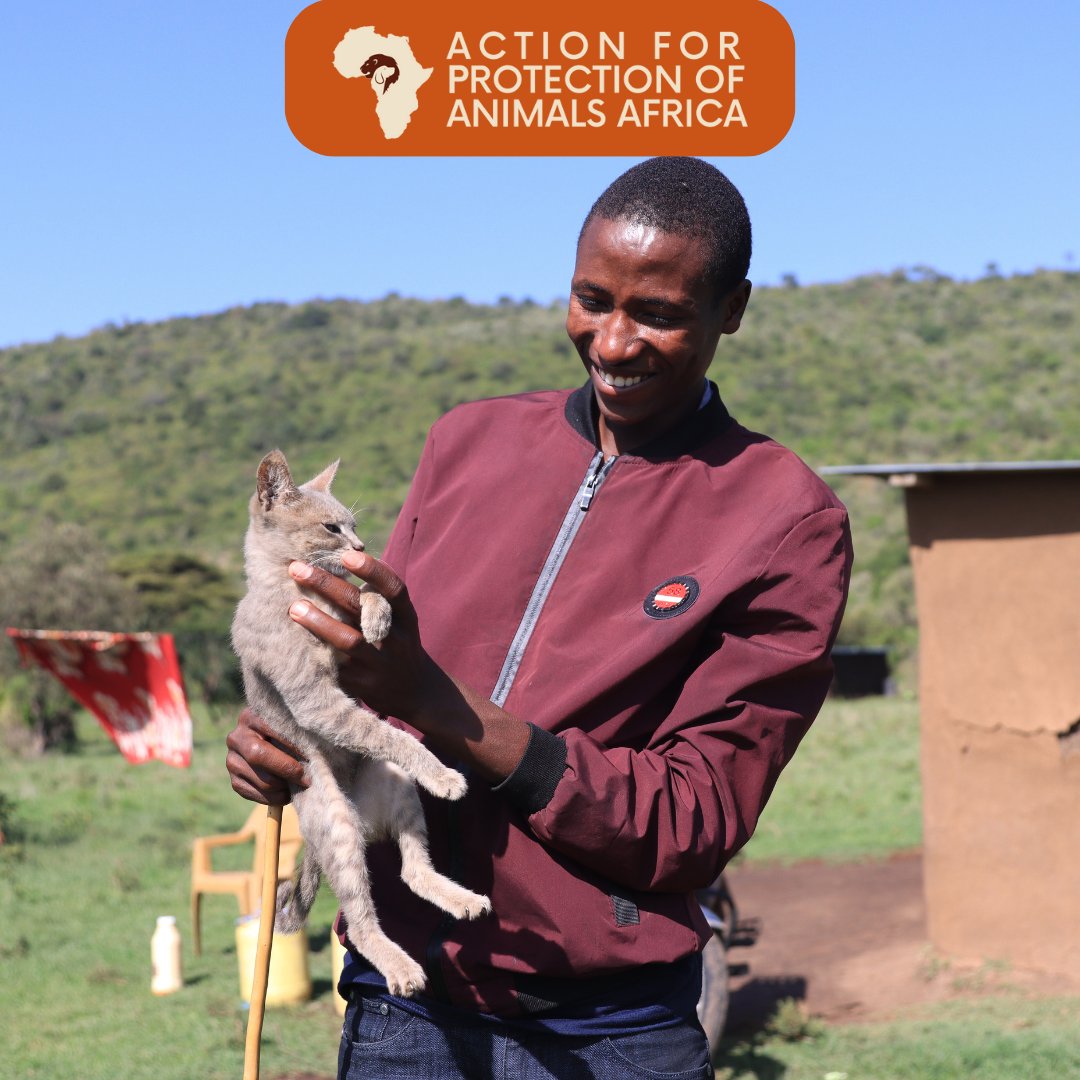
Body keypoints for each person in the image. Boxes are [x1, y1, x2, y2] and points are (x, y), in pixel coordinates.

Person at [226, 156, 852, 1079]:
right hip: (407, 1010)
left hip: (612, 1030)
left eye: (660, 314)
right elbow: (372, 683)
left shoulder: (784, 519)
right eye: (591, 299)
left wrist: (444, 709)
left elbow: (694, 818)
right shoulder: (466, 442)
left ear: (733, 310)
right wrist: (283, 735)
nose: (612, 342)